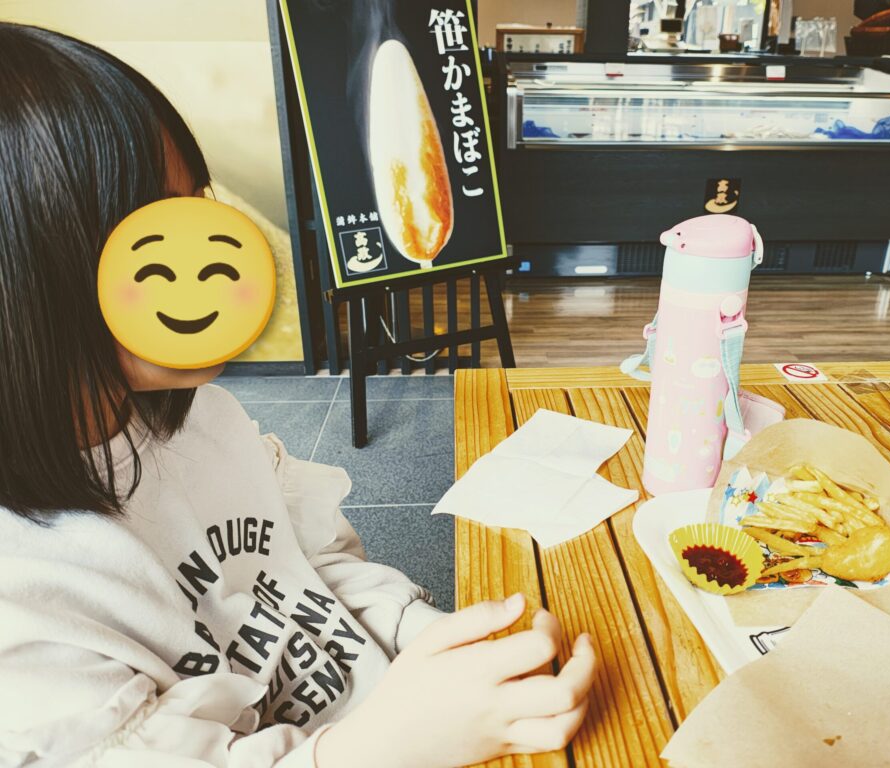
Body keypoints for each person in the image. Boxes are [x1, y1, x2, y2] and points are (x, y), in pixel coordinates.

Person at [0, 22, 596, 768]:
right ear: (26, 275)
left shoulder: (206, 421)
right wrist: (388, 745)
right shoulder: (25, 613)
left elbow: (309, 568)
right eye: (160, 236)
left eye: (202, 208)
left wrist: (425, 636)